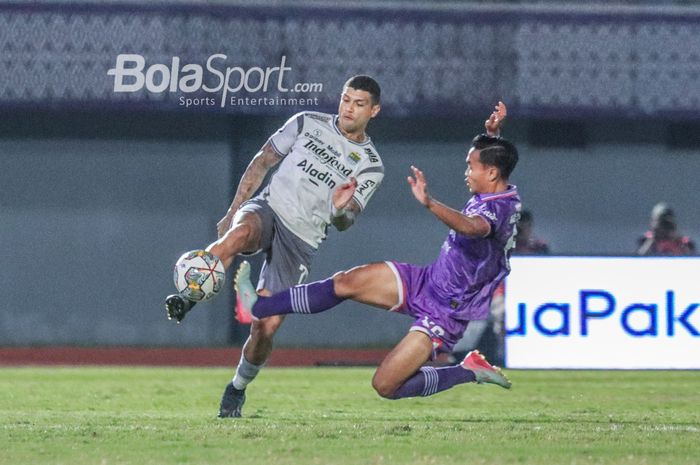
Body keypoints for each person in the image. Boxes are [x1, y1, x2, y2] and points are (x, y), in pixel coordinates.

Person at [234, 106, 520, 400]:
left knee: (386, 386)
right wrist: (492, 135)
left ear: (492, 172)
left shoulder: (500, 207)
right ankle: (259, 307)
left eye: (470, 166)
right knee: (346, 283)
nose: (467, 172)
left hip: (447, 310)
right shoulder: (495, 186)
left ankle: (468, 370)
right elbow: (491, 166)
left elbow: (473, 227)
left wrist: (429, 203)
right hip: (428, 281)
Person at [165, 75, 384, 417]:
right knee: (235, 236)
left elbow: (347, 221)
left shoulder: (371, 165)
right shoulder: (306, 122)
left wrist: (340, 209)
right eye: (345, 99)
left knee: (265, 327)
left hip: (301, 239)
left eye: (358, 104)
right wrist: (234, 209)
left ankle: (237, 388)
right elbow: (263, 161)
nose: (348, 108)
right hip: (269, 208)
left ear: (374, 111)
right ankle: (189, 296)